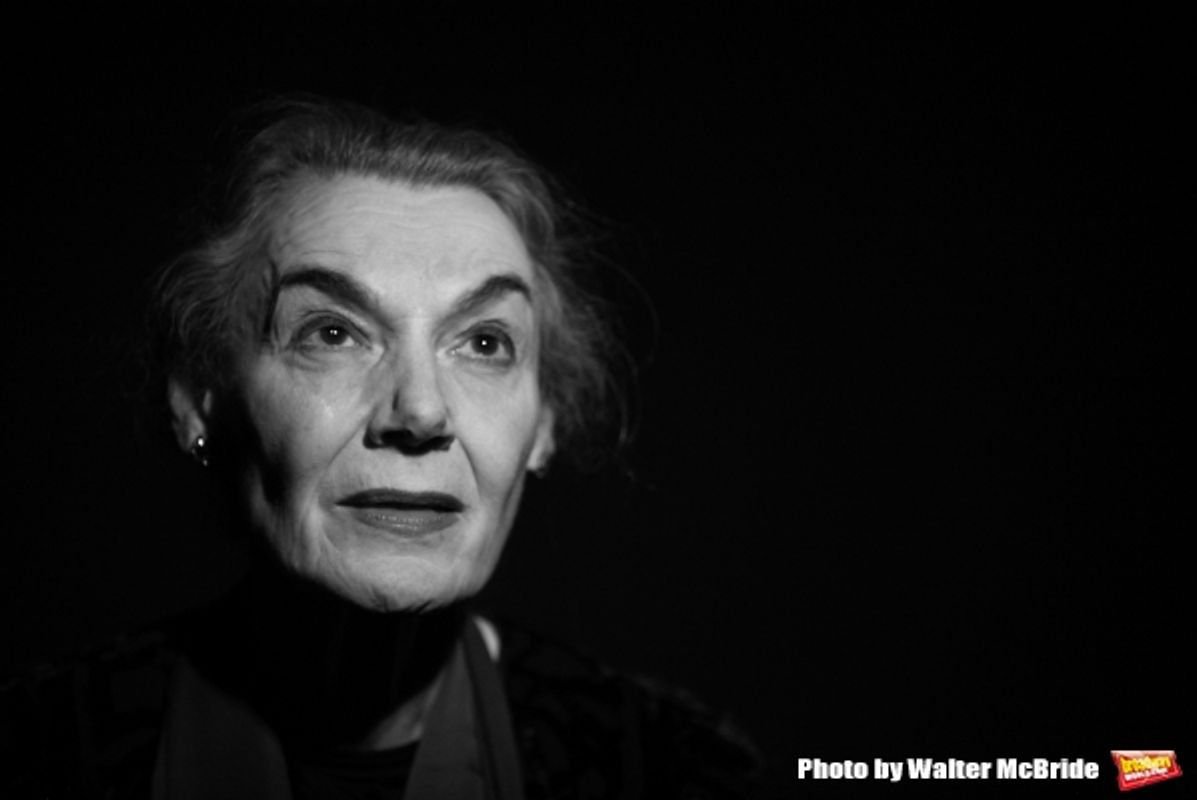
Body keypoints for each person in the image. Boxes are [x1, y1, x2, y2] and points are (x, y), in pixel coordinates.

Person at [2, 95, 764, 799]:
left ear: (546, 423)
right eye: (332, 333)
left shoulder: (680, 771)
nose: (421, 411)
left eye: (486, 342)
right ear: (200, 401)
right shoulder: (38, 748)